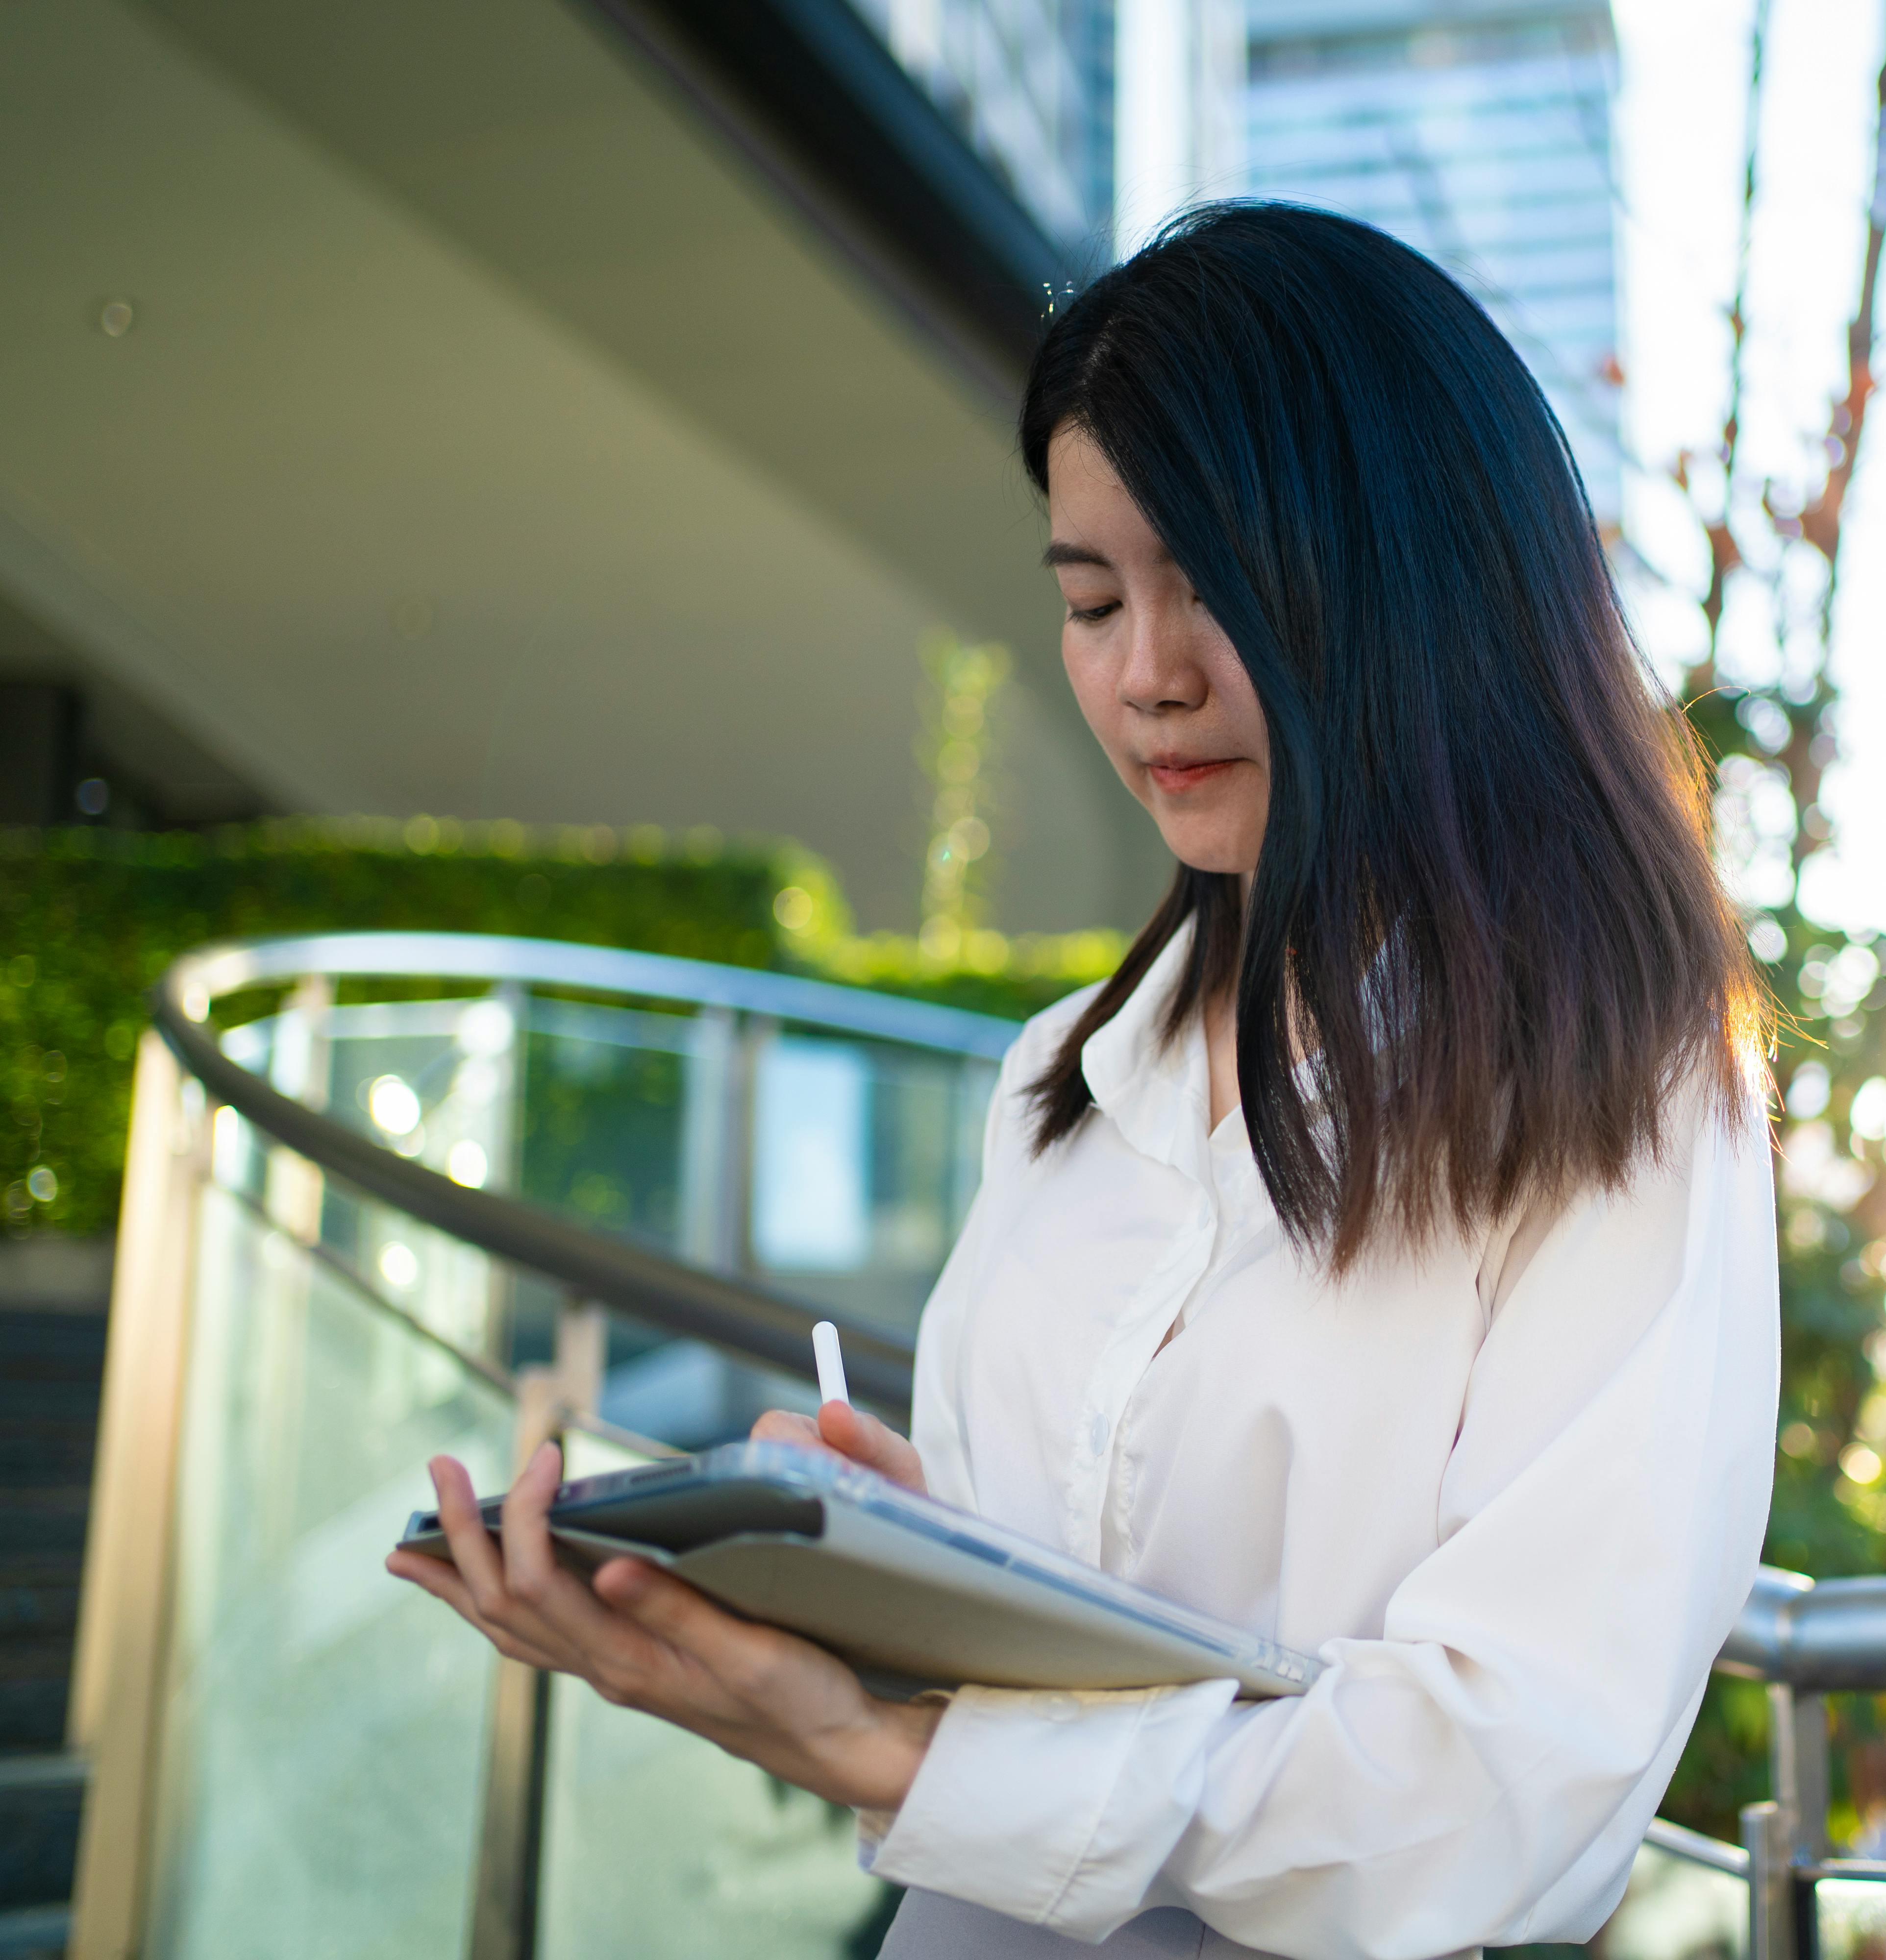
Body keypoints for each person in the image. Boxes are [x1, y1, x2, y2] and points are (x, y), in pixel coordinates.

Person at [388, 202, 1781, 1960]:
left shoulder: (1613, 1082)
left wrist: (904, 1750)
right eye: (1096, 598)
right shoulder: (1063, 1076)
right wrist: (897, 1557)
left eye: (1218, 588)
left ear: (1427, 583)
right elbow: (1079, 1614)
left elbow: (1518, 1774)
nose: (1148, 676)